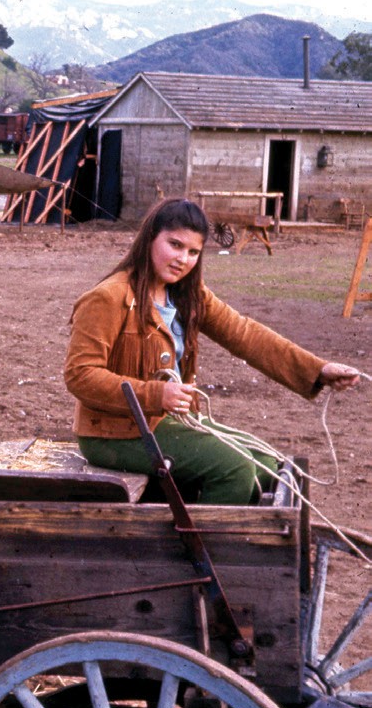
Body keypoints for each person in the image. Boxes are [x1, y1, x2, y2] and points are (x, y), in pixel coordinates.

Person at [64, 197, 360, 505]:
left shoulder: (187, 294)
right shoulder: (107, 298)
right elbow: (79, 375)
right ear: (150, 238)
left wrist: (318, 370)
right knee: (236, 470)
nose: (183, 259)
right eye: (175, 245)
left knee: (267, 464)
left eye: (193, 251)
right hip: (113, 434)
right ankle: (202, 549)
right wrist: (155, 395)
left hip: (168, 422)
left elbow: (245, 334)